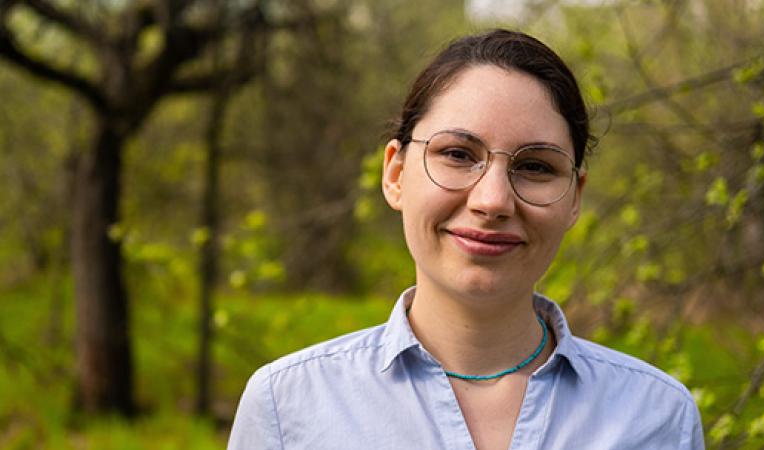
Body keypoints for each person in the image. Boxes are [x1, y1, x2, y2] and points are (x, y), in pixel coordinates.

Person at [227, 29, 704, 450]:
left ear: (574, 197)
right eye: (457, 153)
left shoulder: (658, 415)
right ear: (395, 174)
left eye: (535, 166)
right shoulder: (287, 407)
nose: (493, 200)